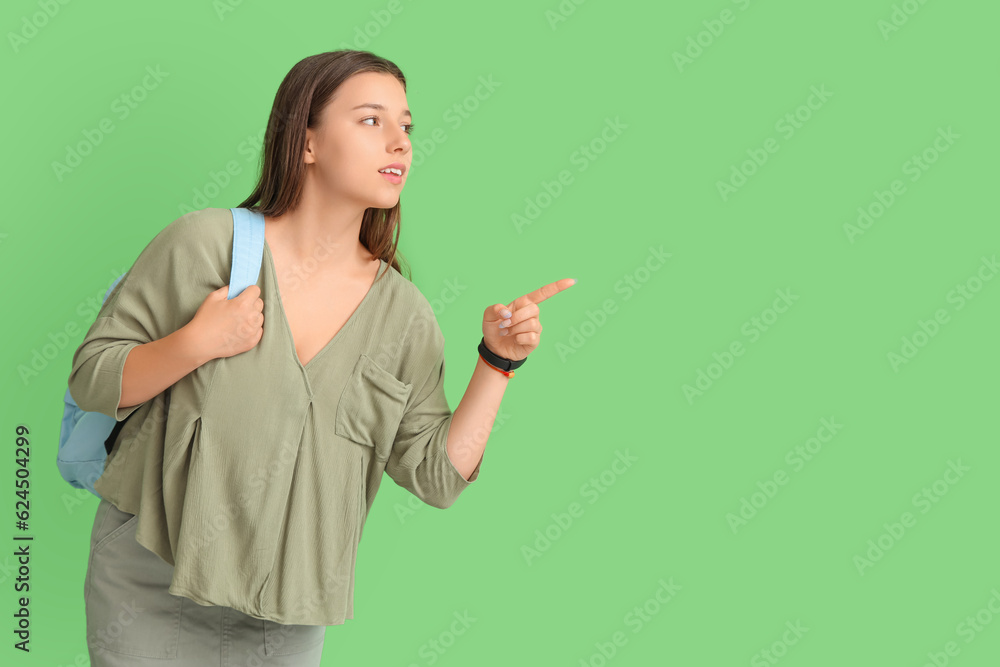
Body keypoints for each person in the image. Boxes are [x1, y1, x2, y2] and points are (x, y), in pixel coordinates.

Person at [69, 49, 575, 666]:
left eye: (407, 127)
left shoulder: (404, 317)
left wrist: (498, 364)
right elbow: (94, 378)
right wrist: (196, 343)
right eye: (371, 121)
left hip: (287, 614)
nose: (400, 143)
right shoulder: (208, 246)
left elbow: (437, 479)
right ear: (305, 142)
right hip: (153, 577)